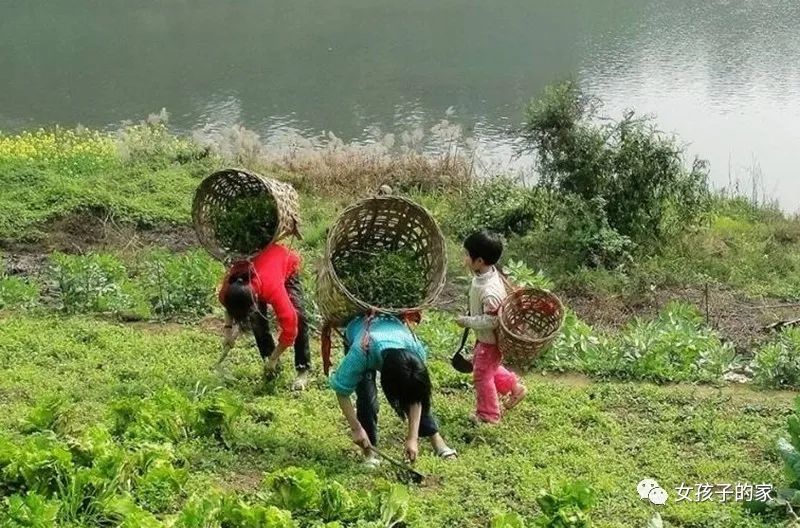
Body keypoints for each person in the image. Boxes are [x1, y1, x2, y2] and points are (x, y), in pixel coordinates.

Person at [330, 314, 457, 467]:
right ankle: (369, 452)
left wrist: (412, 438)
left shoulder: (415, 350)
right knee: (367, 398)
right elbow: (341, 390)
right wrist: (356, 428)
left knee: (414, 387)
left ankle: (437, 440)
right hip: (361, 332)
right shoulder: (361, 353)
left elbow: (416, 397)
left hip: (392, 333)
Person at [456, 230, 527, 423]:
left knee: (481, 375)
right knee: (490, 369)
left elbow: (493, 320)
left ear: (479, 261)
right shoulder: (484, 276)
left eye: (466, 255)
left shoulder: (490, 290)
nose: (464, 258)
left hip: (490, 341)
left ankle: (489, 415)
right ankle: (515, 388)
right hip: (487, 340)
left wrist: (467, 321)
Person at [218, 242, 311, 391]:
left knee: (298, 317)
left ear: (253, 299)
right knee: (257, 322)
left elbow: (290, 328)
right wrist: (228, 331)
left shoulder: (271, 287)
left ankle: (302, 369)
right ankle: (271, 365)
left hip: (284, 263)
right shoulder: (230, 285)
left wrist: (275, 356)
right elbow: (230, 306)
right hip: (259, 269)